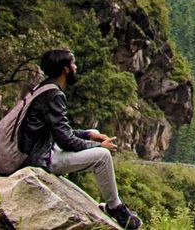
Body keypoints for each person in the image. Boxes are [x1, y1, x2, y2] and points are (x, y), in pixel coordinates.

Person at [20, 48, 143, 230]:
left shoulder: (44, 88)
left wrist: (87, 134)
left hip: (40, 149)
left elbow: (60, 131)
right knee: (102, 156)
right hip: (43, 157)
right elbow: (66, 141)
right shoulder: (54, 95)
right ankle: (116, 208)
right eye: (73, 63)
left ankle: (113, 206)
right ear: (66, 69)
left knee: (93, 137)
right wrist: (98, 144)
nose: (76, 67)